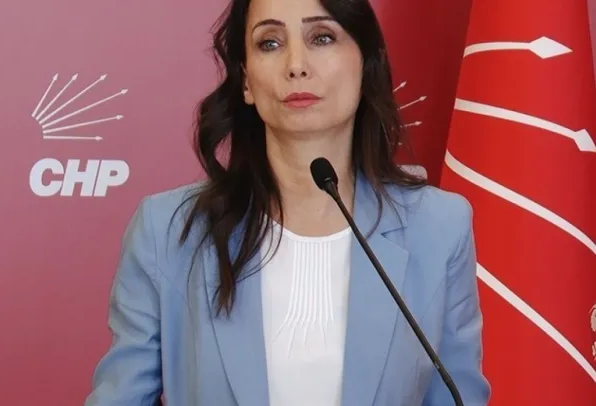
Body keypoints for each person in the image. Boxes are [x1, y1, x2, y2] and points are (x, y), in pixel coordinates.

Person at [84, 0, 492, 404]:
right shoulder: (167, 231)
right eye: (270, 43)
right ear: (246, 80)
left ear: (366, 65)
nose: (296, 65)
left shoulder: (438, 227)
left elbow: (457, 396)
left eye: (322, 37)